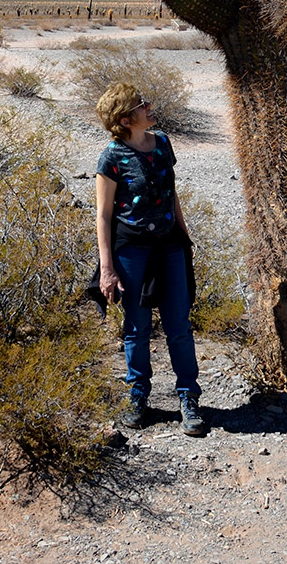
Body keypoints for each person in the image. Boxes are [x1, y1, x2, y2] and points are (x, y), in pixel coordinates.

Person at [94, 81, 206, 435]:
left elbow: (171, 192)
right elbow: (103, 214)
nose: (149, 107)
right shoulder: (112, 157)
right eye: (142, 105)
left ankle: (188, 397)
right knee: (137, 328)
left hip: (170, 246)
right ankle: (138, 395)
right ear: (126, 119)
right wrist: (107, 268)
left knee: (179, 326)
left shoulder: (162, 145)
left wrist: (184, 235)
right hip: (132, 249)